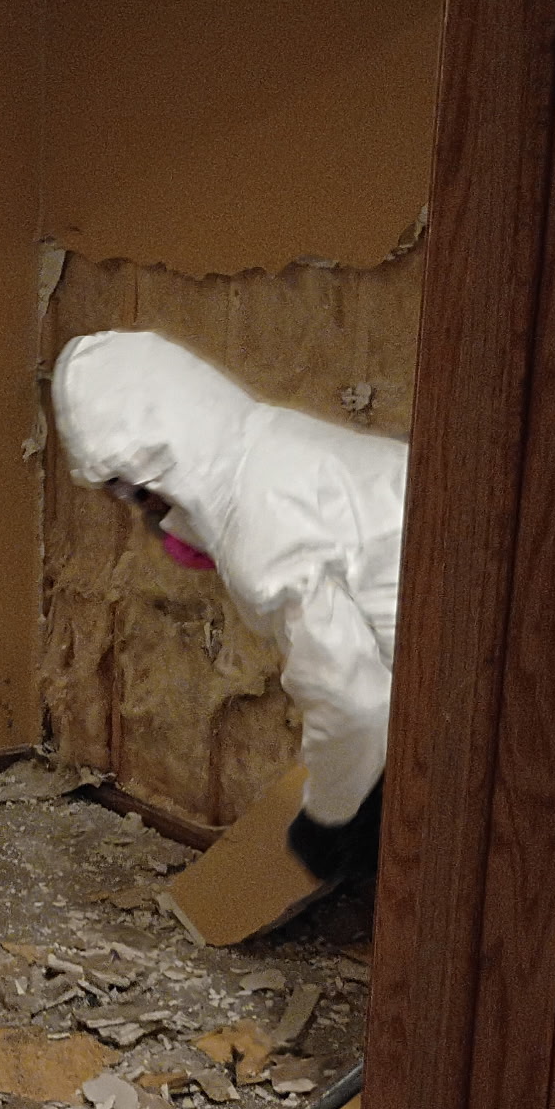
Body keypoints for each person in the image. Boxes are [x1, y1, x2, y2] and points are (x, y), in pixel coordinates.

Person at [51, 329, 407, 887]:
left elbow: (353, 697)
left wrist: (328, 817)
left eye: (126, 492)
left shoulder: (260, 524)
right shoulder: (273, 448)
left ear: (154, 470)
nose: (139, 514)